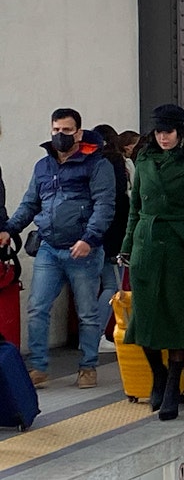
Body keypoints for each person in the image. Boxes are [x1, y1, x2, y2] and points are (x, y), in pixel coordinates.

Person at [119, 104, 184, 420]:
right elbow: (135, 208)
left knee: (178, 318)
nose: (163, 137)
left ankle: (170, 390)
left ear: (181, 133)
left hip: (181, 245)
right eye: (159, 132)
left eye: (169, 132)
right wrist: (127, 246)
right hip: (146, 245)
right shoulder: (145, 158)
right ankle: (160, 375)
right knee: (145, 317)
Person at [0, 108, 115, 389]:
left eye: (65, 130)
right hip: (49, 248)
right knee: (37, 307)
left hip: (83, 251)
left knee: (87, 313)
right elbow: (30, 203)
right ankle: (38, 367)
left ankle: (88, 367)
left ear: (78, 132)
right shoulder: (43, 166)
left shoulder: (97, 165)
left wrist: (89, 239)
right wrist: (9, 229)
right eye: (55, 130)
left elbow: (104, 205)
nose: (59, 136)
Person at [92, 124, 130, 355]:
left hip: (93, 234)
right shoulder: (115, 163)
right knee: (112, 284)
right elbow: (122, 199)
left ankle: (91, 336)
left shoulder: (89, 162)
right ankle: (96, 334)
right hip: (114, 232)